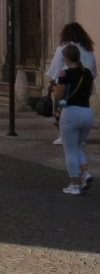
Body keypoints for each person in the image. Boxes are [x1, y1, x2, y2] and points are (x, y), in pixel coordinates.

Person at [54, 43, 95, 195]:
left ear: (65, 58)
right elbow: (89, 91)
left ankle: (74, 184)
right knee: (79, 147)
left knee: (70, 149)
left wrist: (60, 106)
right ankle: (85, 173)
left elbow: (59, 96)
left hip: (71, 113)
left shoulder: (64, 74)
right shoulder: (88, 73)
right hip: (87, 112)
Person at [47, 22, 97, 145]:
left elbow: (56, 67)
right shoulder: (88, 49)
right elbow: (93, 69)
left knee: (62, 108)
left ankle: (63, 135)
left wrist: (53, 82)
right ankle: (80, 135)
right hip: (84, 84)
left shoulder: (63, 48)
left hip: (66, 85)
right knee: (82, 105)